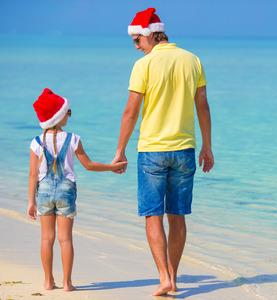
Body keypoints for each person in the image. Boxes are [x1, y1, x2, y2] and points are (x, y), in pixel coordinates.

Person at [111, 8, 214, 296]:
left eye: (137, 40)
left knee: (153, 215)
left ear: (151, 34)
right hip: (185, 150)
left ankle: (164, 277)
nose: (136, 46)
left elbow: (131, 112)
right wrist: (207, 146)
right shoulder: (193, 60)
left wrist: (120, 150)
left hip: (152, 151)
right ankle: (173, 277)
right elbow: (202, 106)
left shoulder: (143, 65)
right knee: (177, 216)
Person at [28, 88, 127, 292]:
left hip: (44, 192)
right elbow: (89, 165)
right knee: (66, 239)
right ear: (59, 116)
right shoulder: (73, 139)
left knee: (47, 238)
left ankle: (48, 281)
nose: (69, 115)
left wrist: (31, 201)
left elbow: (33, 175)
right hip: (66, 192)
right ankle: (67, 283)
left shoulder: (36, 142)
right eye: (67, 112)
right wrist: (112, 167)